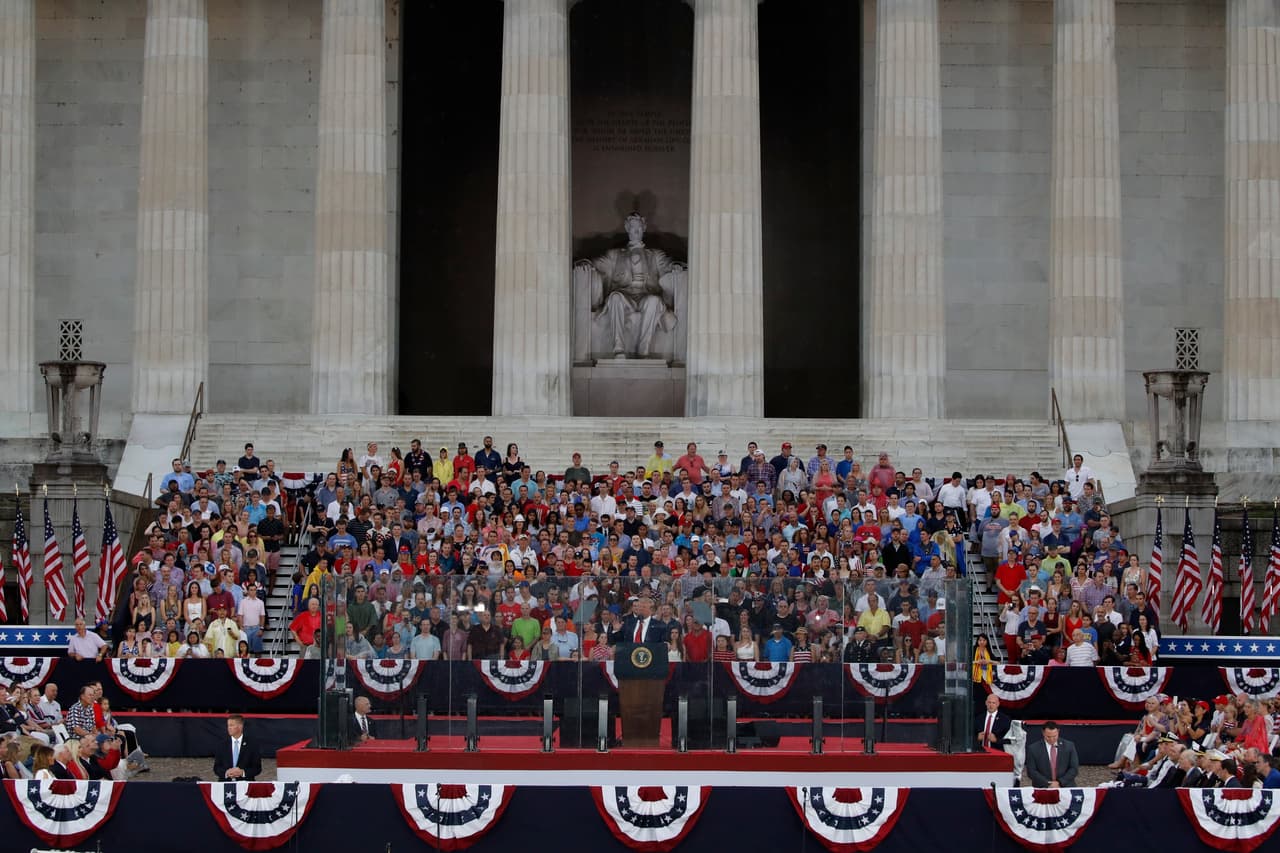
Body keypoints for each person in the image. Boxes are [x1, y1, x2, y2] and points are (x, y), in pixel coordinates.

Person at [1026, 721, 1079, 788]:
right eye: (1048, 737)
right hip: (1042, 787)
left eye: (1054, 736)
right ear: (1043, 733)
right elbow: (1031, 771)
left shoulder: (1069, 746)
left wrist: (1060, 782)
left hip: (1066, 786)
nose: (1051, 739)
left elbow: (1074, 768)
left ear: (1058, 732)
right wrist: (1048, 783)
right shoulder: (1033, 749)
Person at [213, 714, 261, 781]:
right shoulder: (222, 745)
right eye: (228, 725)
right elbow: (217, 767)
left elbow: (257, 768)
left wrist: (243, 772)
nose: (229, 728)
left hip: (245, 784)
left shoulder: (252, 745)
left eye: (231, 725)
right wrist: (226, 773)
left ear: (240, 726)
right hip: (226, 784)